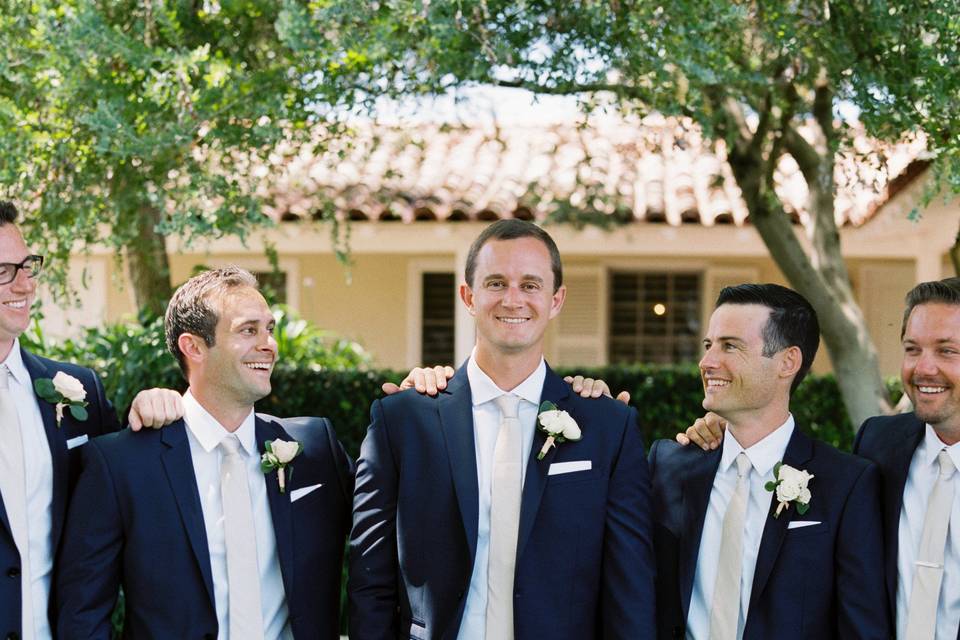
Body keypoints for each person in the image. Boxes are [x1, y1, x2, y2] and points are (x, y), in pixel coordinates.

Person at [349, 219, 655, 640]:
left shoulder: (607, 426)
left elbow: (630, 584)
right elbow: (370, 575)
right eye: (496, 283)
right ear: (468, 297)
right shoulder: (402, 421)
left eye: (530, 285)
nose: (513, 299)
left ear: (556, 299)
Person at [55, 267, 354, 638]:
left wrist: (421, 397)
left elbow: (394, 535)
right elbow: (82, 615)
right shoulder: (122, 465)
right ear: (193, 347)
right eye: (248, 330)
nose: (269, 344)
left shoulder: (315, 450)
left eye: (269, 329)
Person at [648, 283, 888, 639]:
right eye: (708, 345)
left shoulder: (846, 484)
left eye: (730, 346)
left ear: (787, 362)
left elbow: (860, 627)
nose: (707, 362)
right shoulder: (667, 466)